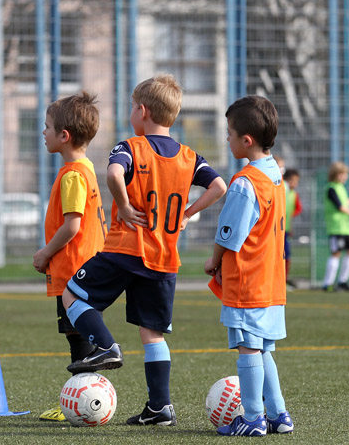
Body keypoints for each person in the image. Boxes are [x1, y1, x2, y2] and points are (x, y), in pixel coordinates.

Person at [61, 74, 227, 426]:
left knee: (72, 295)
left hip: (127, 248)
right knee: (152, 333)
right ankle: (160, 407)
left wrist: (122, 204)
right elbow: (219, 185)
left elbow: (114, 174)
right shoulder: (188, 157)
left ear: (142, 110)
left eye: (131, 107)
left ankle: (104, 345)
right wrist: (187, 214)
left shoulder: (129, 147)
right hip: (165, 258)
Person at [204, 95, 293, 436]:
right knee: (264, 347)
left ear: (246, 140)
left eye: (228, 133)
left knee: (248, 347)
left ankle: (253, 418)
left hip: (248, 280)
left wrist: (213, 261)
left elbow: (229, 235)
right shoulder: (275, 176)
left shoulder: (245, 183)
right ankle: (278, 414)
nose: (226, 139)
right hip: (272, 280)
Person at [32, 92, 107, 422]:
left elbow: (73, 225)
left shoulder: (74, 174)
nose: (43, 132)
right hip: (85, 268)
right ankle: (84, 400)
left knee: (80, 341)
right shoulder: (85, 168)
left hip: (75, 269)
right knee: (77, 336)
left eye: (46, 127)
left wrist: (45, 252)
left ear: (64, 136)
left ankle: (83, 402)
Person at [322, 161, 349, 291]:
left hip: (346, 228)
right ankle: (328, 283)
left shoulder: (341, 188)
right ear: (335, 175)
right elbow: (340, 206)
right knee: (336, 253)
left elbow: (345, 203)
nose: (344, 177)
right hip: (336, 227)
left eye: (345, 174)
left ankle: (343, 281)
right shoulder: (331, 188)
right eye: (342, 174)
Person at [283, 168, 302, 288]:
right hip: (276, 229)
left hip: (285, 229)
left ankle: (284, 279)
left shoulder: (293, 194)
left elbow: (298, 208)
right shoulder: (282, 190)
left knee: (286, 255)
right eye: (293, 181)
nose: (295, 184)